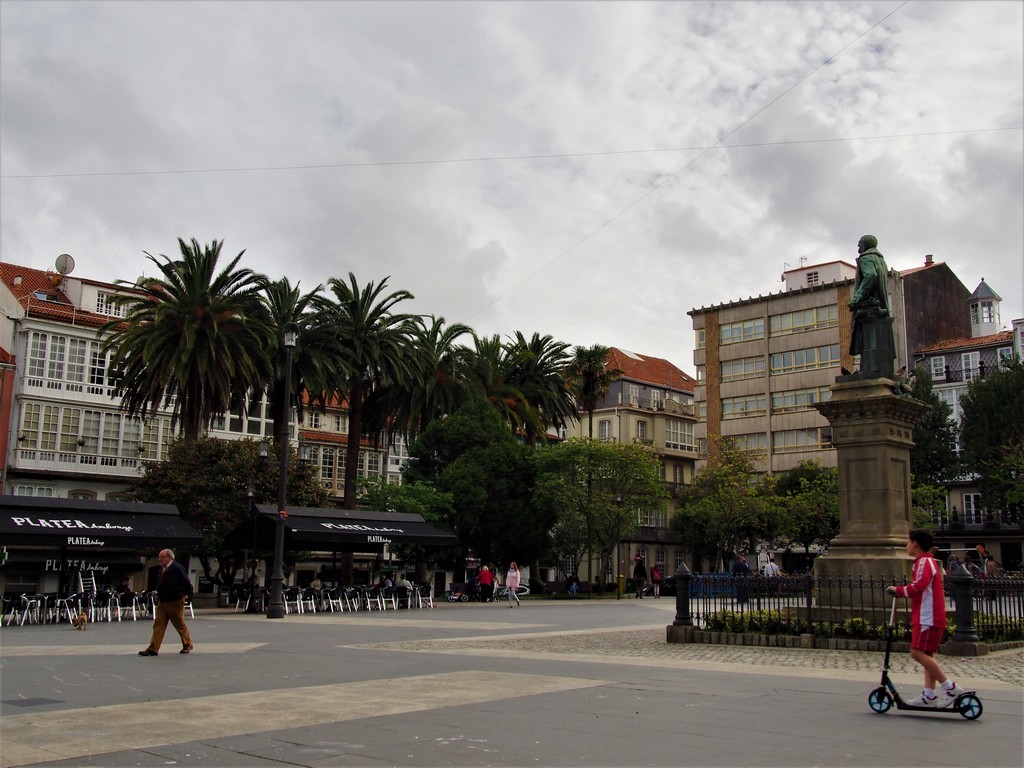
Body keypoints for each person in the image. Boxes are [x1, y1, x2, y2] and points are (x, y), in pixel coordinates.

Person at [886, 529, 959, 707]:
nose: (906, 545)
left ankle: (950, 687)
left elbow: (918, 586)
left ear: (915, 543)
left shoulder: (924, 562)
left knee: (917, 652)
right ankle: (929, 695)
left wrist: (899, 591)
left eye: (907, 541)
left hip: (928, 616)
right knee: (927, 654)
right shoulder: (926, 562)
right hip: (930, 615)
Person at [848, 234, 895, 377]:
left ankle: (870, 369)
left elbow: (870, 276)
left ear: (866, 244)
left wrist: (856, 297)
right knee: (875, 341)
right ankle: (871, 368)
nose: (858, 248)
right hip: (880, 306)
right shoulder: (881, 260)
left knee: (868, 340)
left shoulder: (866, 258)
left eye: (859, 244)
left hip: (869, 307)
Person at [139, 548, 194, 656]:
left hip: (175, 600)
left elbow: (186, 583)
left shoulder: (177, 568)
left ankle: (187, 644)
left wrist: (189, 595)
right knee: (158, 624)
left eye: (162, 557)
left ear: (169, 557)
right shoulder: (162, 569)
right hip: (163, 600)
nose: (160, 560)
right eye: (159, 557)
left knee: (179, 623)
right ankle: (153, 648)